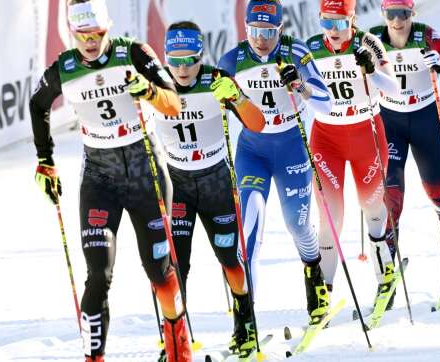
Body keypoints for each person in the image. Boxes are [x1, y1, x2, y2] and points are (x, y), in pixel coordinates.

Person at [29, 0, 195, 361]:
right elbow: (37, 105)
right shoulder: (65, 68)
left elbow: (175, 105)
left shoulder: (134, 53)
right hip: (99, 178)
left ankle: (178, 346)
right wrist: (46, 161)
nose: (90, 42)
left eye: (98, 34)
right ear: (72, 33)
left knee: (160, 271)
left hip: (145, 171)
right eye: (82, 35)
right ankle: (94, 356)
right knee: (98, 274)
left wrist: (147, 91)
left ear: (109, 27)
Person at [150, 21, 265, 356]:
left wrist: (239, 99)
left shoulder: (216, 80)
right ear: (166, 56)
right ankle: (175, 338)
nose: (183, 68)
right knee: (175, 266)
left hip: (215, 181)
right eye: (176, 60)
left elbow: (257, 123)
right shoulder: (156, 85)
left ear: (202, 56)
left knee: (229, 258)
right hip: (178, 186)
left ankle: (245, 321)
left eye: (191, 60)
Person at [218, 0, 334, 326]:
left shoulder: (296, 52)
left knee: (297, 224)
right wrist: (224, 96)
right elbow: (210, 103)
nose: (261, 39)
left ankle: (314, 273)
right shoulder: (233, 60)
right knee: (250, 227)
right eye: (255, 31)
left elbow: (327, 104)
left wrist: (301, 86)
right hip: (252, 152)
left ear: (280, 30)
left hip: (291, 147)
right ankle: (246, 315)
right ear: (245, 28)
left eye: (268, 32)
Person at [369, 0, 440, 294]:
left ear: (413, 13)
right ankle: (387, 268)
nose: (398, 21)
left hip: (425, 120)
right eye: (391, 14)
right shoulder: (372, 40)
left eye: (404, 14)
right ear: (383, 14)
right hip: (391, 123)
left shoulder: (429, 37)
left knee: (436, 191)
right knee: (392, 196)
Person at [306, 0, 400, 297]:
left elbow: (394, 89)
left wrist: (371, 70)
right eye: (326, 22)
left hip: (366, 135)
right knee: (330, 217)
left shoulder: (369, 42)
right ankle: (325, 291)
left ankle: (384, 271)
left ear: (353, 19)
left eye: (340, 23)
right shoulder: (311, 48)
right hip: (326, 139)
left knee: (372, 207)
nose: (333, 30)